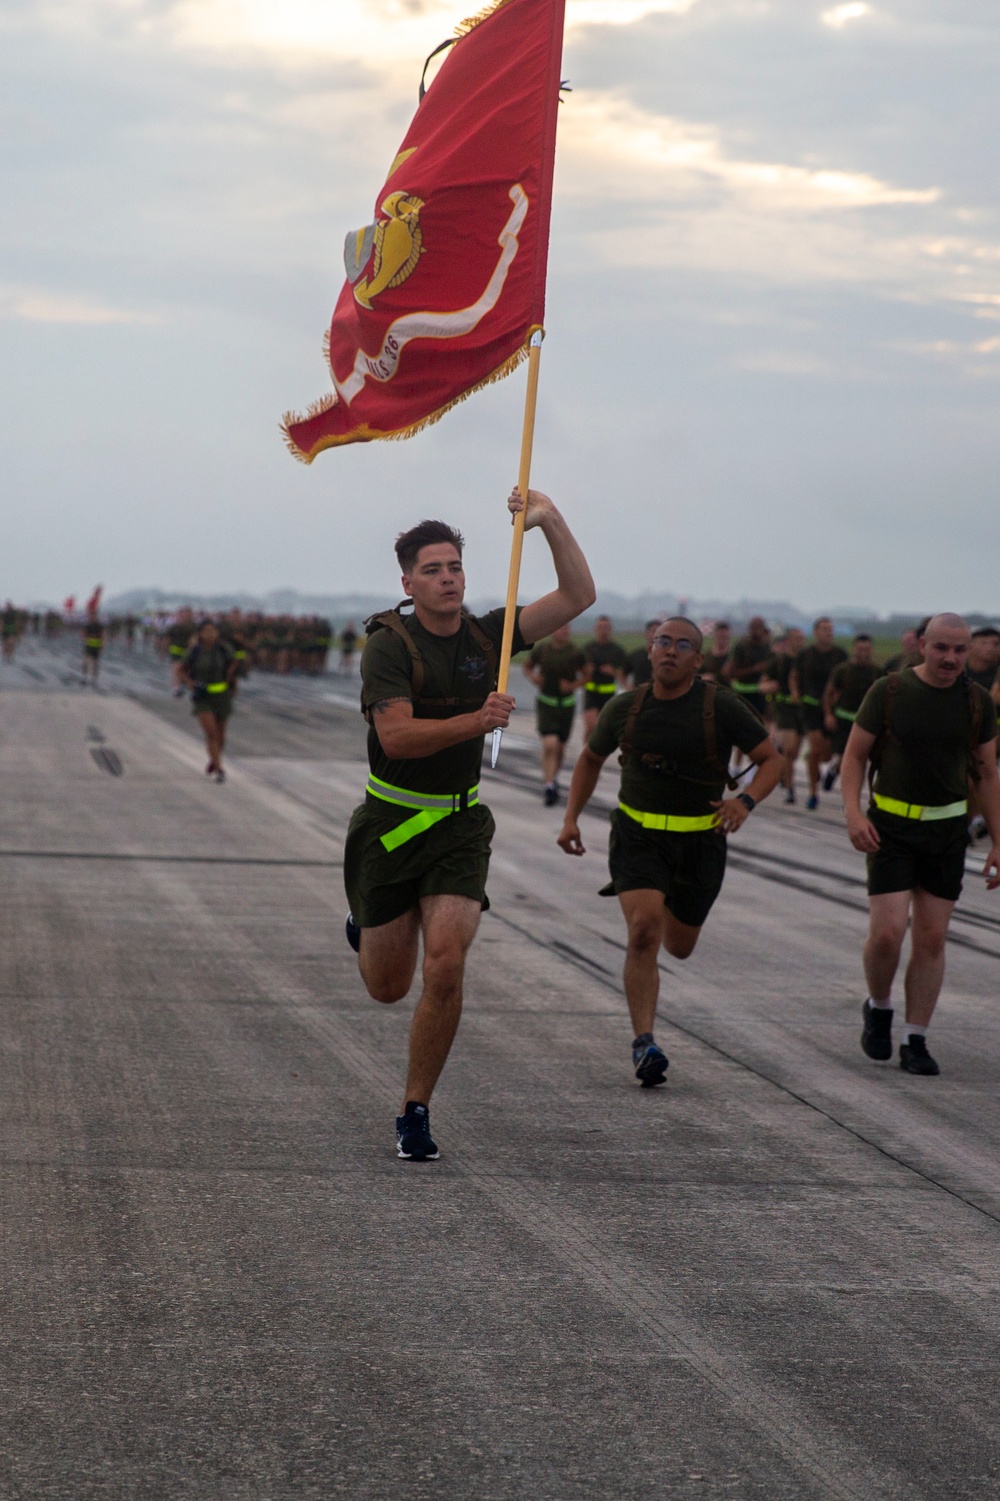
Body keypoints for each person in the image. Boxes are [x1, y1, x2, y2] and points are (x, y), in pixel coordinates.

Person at [344, 490, 594, 1162]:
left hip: (458, 825)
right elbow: (396, 737)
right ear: (408, 582)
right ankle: (364, 920)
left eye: (454, 564)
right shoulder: (387, 646)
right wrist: (477, 720)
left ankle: (415, 1109)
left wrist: (548, 521)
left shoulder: (493, 634)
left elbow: (578, 594)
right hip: (392, 822)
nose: (448, 576)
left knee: (447, 964)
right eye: (432, 568)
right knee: (387, 985)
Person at [557, 618, 783, 1088]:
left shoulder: (721, 706)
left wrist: (743, 801)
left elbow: (772, 759)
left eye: (683, 645)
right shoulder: (626, 707)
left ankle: (662, 958)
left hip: (702, 841)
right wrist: (571, 817)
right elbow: (590, 759)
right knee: (643, 931)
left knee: (679, 946)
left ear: (697, 659)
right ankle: (645, 1042)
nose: (671, 652)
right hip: (638, 836)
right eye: (664, 642)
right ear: (650, 648)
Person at [841, 614, 1000, 1076]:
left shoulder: (976, 703)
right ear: (922, 646)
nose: (950, 658)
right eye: (941, 648)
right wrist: (853, 814)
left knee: (931, 938)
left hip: (946, 831)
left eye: (959, 650)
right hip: (889, 827)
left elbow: (987, 773)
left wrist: (997, 841)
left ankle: (915, 1038)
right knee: (888, 933)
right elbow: (854, 755)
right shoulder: (889, 692)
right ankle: (879, 1005)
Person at [523, 624, 586, 805]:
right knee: (549, 744)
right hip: (546, 703)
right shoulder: (542, 650)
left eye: (567, 629)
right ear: (553, 631)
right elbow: (527, 667)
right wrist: (534, 678)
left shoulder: (576, 652)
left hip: (566, 705)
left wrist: (572, 686)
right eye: (561, 628)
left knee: (560, 748)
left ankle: (554, 777)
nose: (564, 632)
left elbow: (587, 674)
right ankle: (548, 785)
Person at [791, 618, 847, 810]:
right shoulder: (806, 654)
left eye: (830, 629)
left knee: (827, 754)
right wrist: (795, 693)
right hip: (810, 708)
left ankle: (829, 769)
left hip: (832, 709)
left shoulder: (840, 655)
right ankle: (813, 793)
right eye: (824, 629)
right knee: (816, 750)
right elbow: (794, 674)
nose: (828, 633)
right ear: (815, 632)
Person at [820, 634, 881, 792]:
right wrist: (828, 715)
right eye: (860, 649)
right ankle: (834, 771)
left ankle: (851, 792)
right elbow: (828, 693)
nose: (863, 653)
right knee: (842, 758)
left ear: (871, 650)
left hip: (864, 722)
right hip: (843, 720)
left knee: (859, 759)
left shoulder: (876, 672)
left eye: (866, 649)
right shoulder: (843, 670)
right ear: (854, 649)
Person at [180, 620, 237, 783]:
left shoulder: (224, 649)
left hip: (222, 696)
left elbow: (233, 663)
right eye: (206, 631)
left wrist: (231, 680)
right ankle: (219, 770)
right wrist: (190, 684)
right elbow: (181, 669)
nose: (210, 634)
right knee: (210, 732)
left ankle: (214, 759)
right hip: (202, 696)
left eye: (213, 630)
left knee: (221, 736)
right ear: (200, 634)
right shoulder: (194, 651)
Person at [768, 627, 805, 803]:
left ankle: (779, 755)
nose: (800, 642)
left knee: (794, 753)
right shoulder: (780, 661)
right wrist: (769, 686)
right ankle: (791, 790)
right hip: (783, 707)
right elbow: (765, 680)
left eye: (802, 639)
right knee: (790, 751)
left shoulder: (806, 661)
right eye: (797, 638)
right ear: (789, 640)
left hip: (802, 709)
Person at [581, 616, 628, 738]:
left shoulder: (617, 651)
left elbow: (623, 674)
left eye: (606, 627)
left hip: (608, 694)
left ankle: (594, 752)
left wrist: (613, 671)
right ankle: (586, 752)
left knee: (603, 730)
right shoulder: (588, 649)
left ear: (611, 629)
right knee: (591, 726)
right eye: (600, 627)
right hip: (591, 692)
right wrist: (587, 670)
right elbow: (578, 670)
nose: (603, 630)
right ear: (595, 629)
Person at [725, 615, 772, 722]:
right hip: (743, 692)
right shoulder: (742, 646)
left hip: (761, 693)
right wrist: (754, 669)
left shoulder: (766, 647)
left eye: (758, 627)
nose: (755, 631)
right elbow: (729, 672)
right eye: (753, 627)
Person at [626, 620, 661, 688]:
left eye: (659, 631)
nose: (656, 634)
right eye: (653, 631)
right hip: (639, 694)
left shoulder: (667, 656)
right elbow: (622, 672)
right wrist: (628, 688)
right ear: (646, 633)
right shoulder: (636, 655)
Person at [81, 614, 104, 687]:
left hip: (96, 646)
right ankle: (84, 678)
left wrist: (102, 645)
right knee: (85, 662)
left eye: (94, 616)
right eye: (91, 616)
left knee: (95, 663)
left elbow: (103, 636)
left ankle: (94, 679)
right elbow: (83, 634)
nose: (92, 617)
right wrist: (85, 637)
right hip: (88, 646)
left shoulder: (99, 626)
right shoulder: (88, 626)